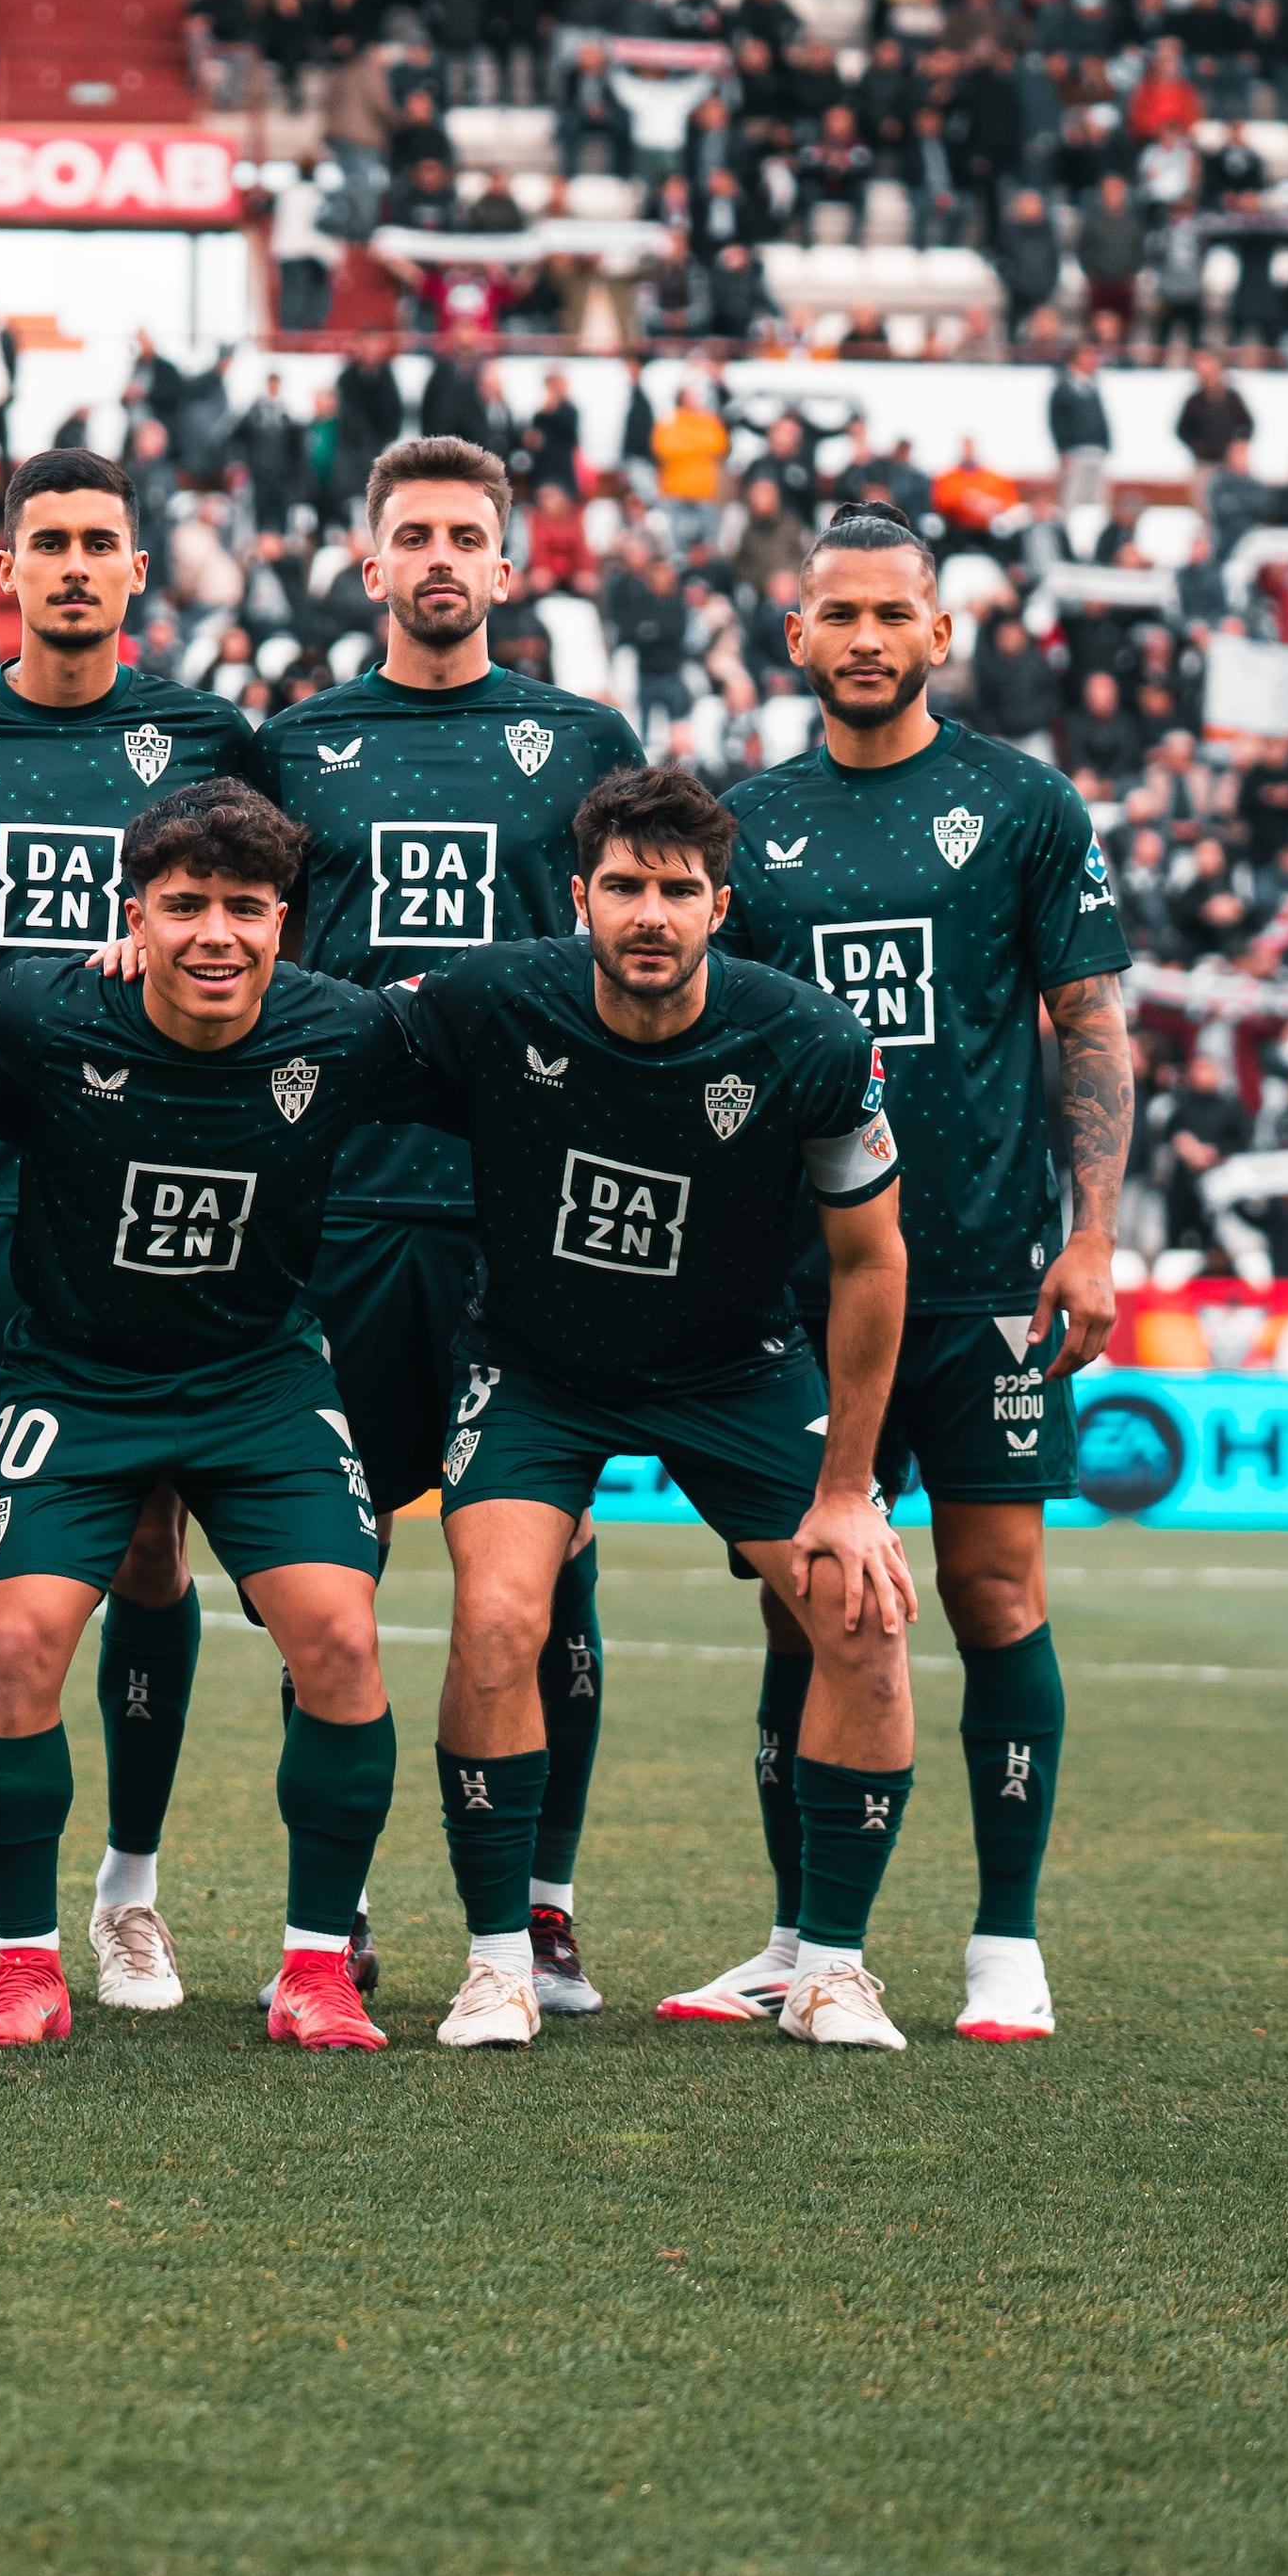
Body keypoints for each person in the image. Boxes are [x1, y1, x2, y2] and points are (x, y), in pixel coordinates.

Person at [678, 511, 1133, 2044]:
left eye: (894, 613)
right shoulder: (746, 826)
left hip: (991, 1276)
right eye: (837, 614)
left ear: (942, 634)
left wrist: (1095, 1231)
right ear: (793, 638)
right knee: (803, 1607)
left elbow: (1090, 1021)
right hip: (797, 1291)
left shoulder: (1023, 804)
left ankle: (1006, 1944)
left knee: (992, 1593)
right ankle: (804, 1936)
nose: (866, 637)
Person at [400, 763, 923, 2050]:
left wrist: (848, 1492)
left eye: (677, 890)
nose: (649, 912)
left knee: (861, 1611)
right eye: (624, 886)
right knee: (498, 1615)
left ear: (720, 906)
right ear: (578, 897)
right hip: (537, 1367)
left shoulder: (804, 1038)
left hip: (733, 1367)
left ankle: (832, 1968)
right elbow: (311, 1033)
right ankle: (496, 1960)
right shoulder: (489, 996)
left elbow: (871, 1259)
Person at [0, 448, 258, 2009]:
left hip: (161, 1186)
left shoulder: (209, 739)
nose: (74, 566)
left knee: (150, 1528)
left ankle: (130, 1896)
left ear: (139, 570)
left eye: (101, 544)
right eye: (47, 545)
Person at [0, 778, 432, 2051]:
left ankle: (316, 1967)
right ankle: (25, 1967)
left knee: (341, 1633)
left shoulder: (350, 1030)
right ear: (133, 917)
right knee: (19, 1638)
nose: (218, 934)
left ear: (286, 923)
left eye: (247, 909)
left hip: (260, 1376)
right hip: (75, 1376)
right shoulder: (45, 1006)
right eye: (185, 906)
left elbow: (515, 1029)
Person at [248, 433, 642, 2020]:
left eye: (465, 534)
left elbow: (635, 941)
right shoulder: (293, 744)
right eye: (410, 532)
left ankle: (540, 1910)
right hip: (342, 1209)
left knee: (549, 1573)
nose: (438, 557)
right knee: (324, 1579)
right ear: (367, 562)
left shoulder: (579, 737)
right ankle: (326, 1928)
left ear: (507, 562)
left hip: (524, 1218)